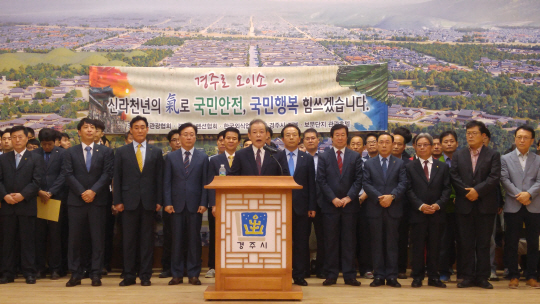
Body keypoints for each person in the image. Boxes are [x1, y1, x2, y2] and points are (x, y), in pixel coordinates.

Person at [63, 118, 114, 287]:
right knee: (75, 239)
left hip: (98, 201)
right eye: (86, 127)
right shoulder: (70, 152)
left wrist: (93, 191)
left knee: (97, 238)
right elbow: (68, 174)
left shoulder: (105, 152)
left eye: (92, 127)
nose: (90, 130)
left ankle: (96, 274)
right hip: (76, 202)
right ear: (79, 132)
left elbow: (107, 174)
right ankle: (75, 273)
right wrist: (82, 192)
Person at [450, 120, 501, 289]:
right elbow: (454, 176)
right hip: (464, 205)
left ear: (483, 136)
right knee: (465, 242)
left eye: (474, 133)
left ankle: (482, 277)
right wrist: (467, 192)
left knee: (484, 243)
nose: (470, 136)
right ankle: (467, 276)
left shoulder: (493, 155)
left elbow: (494, 178)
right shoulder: (458, 154)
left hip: (485, 205)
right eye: (468, 133)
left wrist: (477, 191)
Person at [114, 116, 163, 287]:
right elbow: (117, 178)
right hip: (128, 202)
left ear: (147, 129)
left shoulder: (156, 152)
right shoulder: (121, 151)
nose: (140, 130)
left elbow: (159, 178)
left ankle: (145, 276)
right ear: (131, 130)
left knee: (146, 241)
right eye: (136, 127)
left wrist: (159, 200)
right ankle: (128, 275)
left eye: (143, 127)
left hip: (149, 202)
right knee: (128, 240)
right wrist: (117, 201)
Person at [317, 124, 363, 286]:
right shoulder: (324, 156)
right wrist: (333, 198)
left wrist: (349, 197)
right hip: (330, 206)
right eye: (337, 135)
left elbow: (359, 180)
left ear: (347, 137)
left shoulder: (354, 156)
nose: (340, 137)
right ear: (332, 137)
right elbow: (321, 180)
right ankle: (331, 274)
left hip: (350, 206)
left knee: (349, 241)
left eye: (343, 135)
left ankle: (350, 275)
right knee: (331, 241)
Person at [164, 123, 208, 286]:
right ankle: (176, 274)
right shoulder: (170, 157)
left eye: (191, 134)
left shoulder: (202, 157)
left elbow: (205, 182)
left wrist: (204, 202)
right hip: (175, 205)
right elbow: (166, 182)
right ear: (180, 137)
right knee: (176, 240)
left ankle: (194, 274)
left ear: (195, 137)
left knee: (194, 241)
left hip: (195, 205)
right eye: (185, 134)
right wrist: (167, 202)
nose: (189, 137)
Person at [363, 132, 408, 288]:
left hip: (393, 208)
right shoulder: (369, 163)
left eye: (387, 142)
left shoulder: (400, 163)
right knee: (376, 244)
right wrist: (380, 197)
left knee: (392, 244)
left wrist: (392, 196)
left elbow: (403, 184)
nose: (383, 145)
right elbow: (366, 184)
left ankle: (392, 276)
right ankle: (379, 276)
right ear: (376, 144)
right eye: (380, 142)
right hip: (375, 208)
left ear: (392, 144)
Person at [406, 133, 451, 288]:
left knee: (435, 247)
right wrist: (420, 205)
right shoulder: (409, 166)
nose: (423, 147)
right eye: (419, 145)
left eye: (426, 144)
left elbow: (447, 189)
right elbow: (408, 189)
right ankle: (417, 276)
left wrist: (437, 205)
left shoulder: (443, 166)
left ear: (432, 147)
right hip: (417, 213)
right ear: (415, 147)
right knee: (417, 247)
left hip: (437, 214)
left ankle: (433, 277)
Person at [0, 126, 43, 284]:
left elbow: (37, 181)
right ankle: (7, 273)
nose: (17, 140)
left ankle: (29, 273)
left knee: (28, 241)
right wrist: (4, 195)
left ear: (27, 139)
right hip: (7, 206)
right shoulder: (3, 158)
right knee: (7, 242)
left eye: (20, 137)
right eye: (13, 137)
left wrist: (22, 195)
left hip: (26, 205)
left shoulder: (36, 158)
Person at [501, 125, 540, 289]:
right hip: (513, 204)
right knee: (511, 242)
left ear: (532, 140)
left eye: (526, 137)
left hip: (534, 204)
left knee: (533, 242)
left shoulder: (538, 159)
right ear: (515, 138)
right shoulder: (505, 158)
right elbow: (504, 179)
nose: (522, 140)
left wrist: (529, 195)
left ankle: (531, 275)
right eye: (519, 137)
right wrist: (520, 195)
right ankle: (513, 275)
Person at [278, 124, 316, 286]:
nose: (291, 137)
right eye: (288, 135)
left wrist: (312, 207)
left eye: (294, 134)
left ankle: (299, 275)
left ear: (299, 138)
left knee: (301, 243)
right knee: (281, 242)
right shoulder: (276, 157)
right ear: (282, 139)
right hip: (280, 208)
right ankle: (282, 273)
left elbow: (311, 185)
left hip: (302, 208)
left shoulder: (306, 158)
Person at [206, 127, 240, 279]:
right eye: (228, 138)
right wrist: (213, 203)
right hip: (218, 204)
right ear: (223, 141)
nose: (231, 141)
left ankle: (236, 264)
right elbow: (210, 183)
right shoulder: (214, 160)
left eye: (234, 138)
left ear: (238, 141)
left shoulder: (243, 158)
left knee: (237, 235)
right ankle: (213, 266)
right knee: (217, 235)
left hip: (239, 204)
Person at [34, 128, 67, 280]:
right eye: (44, 144)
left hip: (55, 198)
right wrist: (40, 191)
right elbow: (31, 176)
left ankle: (55, 268)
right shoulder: (34, 154)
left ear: (55, 142)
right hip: (38, 198)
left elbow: (64, 174)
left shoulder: (62, 154)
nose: (47, 147)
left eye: (49, 144)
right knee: (39, 235)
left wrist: (51, 191)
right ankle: (40, 268)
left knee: (55, 235)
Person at [437, 130, 460, 283]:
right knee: (444, 241)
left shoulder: (464, 159)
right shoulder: (437, 162)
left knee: (464, 241)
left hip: (463, 207)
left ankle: (464, 272)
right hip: (443, 209)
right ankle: (444, 270)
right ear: (440, 144)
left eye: (452, 141)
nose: (449, 144)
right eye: (446, 141)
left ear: (457, 143)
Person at [304, 128, 326, 279]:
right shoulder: (299, 158)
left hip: (323, 202)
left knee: (323, 237)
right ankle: (303, 269)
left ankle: (322, 269)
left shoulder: (325, 158)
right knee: (302, 237)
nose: (310, 140)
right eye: (307, 138)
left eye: (313, 138)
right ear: (303, 141)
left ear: (319, 140)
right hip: (303, 203)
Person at [159, 129, 181, 279]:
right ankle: (167, 267)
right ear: (169, 143)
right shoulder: (165, 159)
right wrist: (165, 202)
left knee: (184, 236)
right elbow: (163, 182)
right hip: (169, 203)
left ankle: (183, 266)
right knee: (169, 236)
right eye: (174, 140)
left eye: (180, 139)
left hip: (186, 203)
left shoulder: (192, 158)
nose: (178, 142)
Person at [392, 126, 412, 279]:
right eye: (394, 142)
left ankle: (401, 268)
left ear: (404, 146)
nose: (396, 146)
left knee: (402, 238)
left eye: (399, 144)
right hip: (383, 205)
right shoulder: (380, 159)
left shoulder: (409, 162)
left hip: (404, 206)